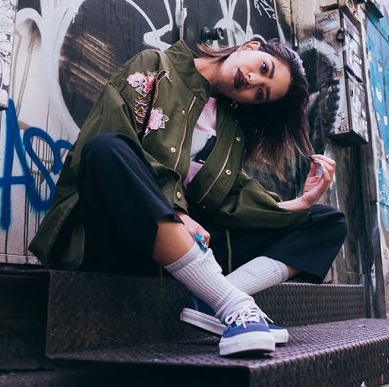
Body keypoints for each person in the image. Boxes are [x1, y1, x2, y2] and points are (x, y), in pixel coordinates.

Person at [28, 39, 347, 357]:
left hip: (178, 253)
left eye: (261, 93)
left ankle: (213, 300)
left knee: (326, 222)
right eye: (264, 68)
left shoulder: (230, 124)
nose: (253, 82)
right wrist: (177, 213)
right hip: (116, 236)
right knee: (106, 149)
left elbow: (229, 202)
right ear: (250, 47)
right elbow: (113, 137)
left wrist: (301, 203)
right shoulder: (155, 68)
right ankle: (230, 302)